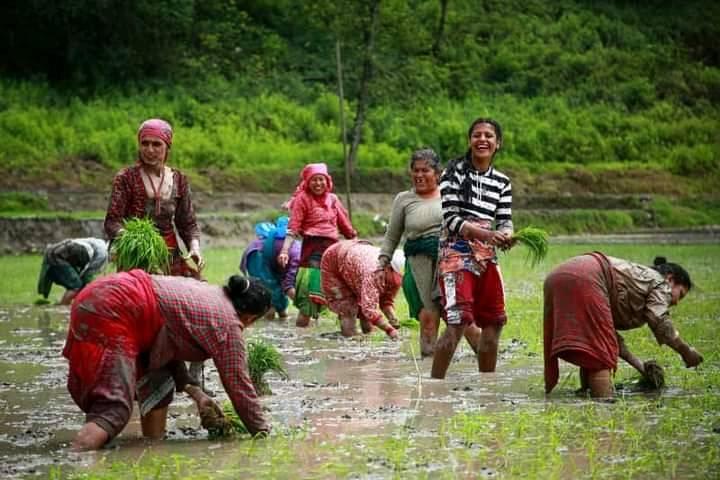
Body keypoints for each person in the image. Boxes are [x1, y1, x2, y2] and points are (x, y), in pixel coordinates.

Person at [63, 271, 272, 451]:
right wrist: (262, 433)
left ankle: (152, 446)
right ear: (250, 318)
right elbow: (239, 386)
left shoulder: (208, 292)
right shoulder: (228, 324)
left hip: (98, 293)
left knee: (160, 381)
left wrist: (198, 395)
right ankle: (75, 458)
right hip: (115, 309)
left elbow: (169, 347)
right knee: (113, 409)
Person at [544, 253, 703, 398]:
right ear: (670, 279)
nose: (675, 302)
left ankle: (587, 397)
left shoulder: (637, 279)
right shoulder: (660, 283)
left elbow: (610, 338)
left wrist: (641, 368)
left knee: (595, 346)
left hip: (557, 276)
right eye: (680, 294)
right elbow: (659, 319)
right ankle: (604, 408)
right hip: (588, 275)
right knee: (600, 356)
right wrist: (686, 352)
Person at [378, 148, 484, 357]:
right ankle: (429, 372)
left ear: (437, 173)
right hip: (418, 268)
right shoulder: (404, 199)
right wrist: (382, 263)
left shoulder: (451, 194)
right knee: (428, 319)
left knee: (461, 317)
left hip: (450, 264)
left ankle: (487, 360)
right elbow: (392, 236)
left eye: (425, 170)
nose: (419, 175)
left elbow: (470, 227)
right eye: (415, 170)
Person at [431, 118, 514, 379]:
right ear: (470, 141)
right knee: (458, 321)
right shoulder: (452, 174)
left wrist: (507, 234)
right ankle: (435, 386)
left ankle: (487, 386)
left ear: (497, 144)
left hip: (487, 256)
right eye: (477, 135)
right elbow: (452, 220)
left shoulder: (502, 182)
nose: (483, 140)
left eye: (489, 136)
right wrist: (487, 234)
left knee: (494, 322)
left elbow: (504, 219)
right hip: (455, 255)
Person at [104, 118, 204, 278]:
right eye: (145, 144)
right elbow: (112, 222)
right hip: (136, 254)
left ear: (167, 147)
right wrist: (134, 240)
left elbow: (187, 223)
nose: (150, 150)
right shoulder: (126, 178)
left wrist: (194, 247)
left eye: (156, 144)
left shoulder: (179, 179)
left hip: (169, 254)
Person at [278, 163, 357, 327]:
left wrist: (356, 243)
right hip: (311, 254)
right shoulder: (302, 199)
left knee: (342, 298)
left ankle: (349, 337)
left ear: (327, 181)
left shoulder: (333, 199)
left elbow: (346, 227)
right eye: (314, 180)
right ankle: (302, 341)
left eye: (321, 179)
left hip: (333, 252)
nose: (318, 184)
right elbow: (293, 228)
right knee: (307, 305)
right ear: (307, 182)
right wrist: (285, 251)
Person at [321, 239, 402, 339]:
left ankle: (367, 338)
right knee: (348, 309)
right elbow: (369, 309)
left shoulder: (396, 275)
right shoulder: (373, 272)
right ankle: (349, 340)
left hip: (353, 264)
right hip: (334, 261)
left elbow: (386, 301)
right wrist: (390, 330)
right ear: (387, 268)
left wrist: (392, 318)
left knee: (366, 313)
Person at [240, 216, 300, 319]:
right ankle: (271, 317)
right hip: (258, 260)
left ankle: (281, 315)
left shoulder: (296, 248)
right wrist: (306, 310)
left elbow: (286, 285)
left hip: (270, 261)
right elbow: (288, 286)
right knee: (270, 294)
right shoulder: (296, 253)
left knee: (278, 291)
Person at [37, 237, 108, 305]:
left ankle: (65, 304)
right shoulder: (102, 254)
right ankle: (62, 309)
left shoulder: (100, 243)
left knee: (77, 285)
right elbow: (87, 277)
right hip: (57, 256)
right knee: (76, 287)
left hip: (56, 252)